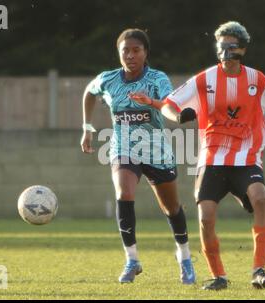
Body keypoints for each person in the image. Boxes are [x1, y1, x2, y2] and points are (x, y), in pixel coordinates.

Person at [129, 21, 265, 290]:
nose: (225, 51)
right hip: (212, 159)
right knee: (206, 217)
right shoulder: (205, 79)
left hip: (246, 158)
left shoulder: (257, 79)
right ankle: (218, 276)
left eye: (231, 46)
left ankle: (259, 270)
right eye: (221, 46)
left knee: (260, 198)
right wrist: (180, 115)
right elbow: (168, 105)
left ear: (242, 49)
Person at [80, 28, 196, 284]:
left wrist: (151, 102)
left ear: (145, 53)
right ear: (119, 53)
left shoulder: (156, 79)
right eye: (125, 51)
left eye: (136, 50)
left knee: (171, 207)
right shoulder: (108, 80)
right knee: (124, 193)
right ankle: (132, 260)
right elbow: (89, 92)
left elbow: (168, 104)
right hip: (123, 148)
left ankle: (184, 256)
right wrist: (87, 128)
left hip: (156, 150)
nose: (130, 55)